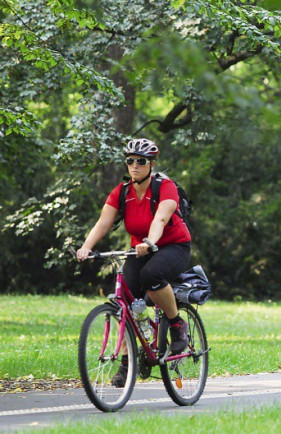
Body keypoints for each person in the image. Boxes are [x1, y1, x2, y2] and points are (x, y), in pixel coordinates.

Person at [76, 138, 191, 387]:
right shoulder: (122, 192)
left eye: (141, 161)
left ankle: (176, 324)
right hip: (139, 250)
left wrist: (149, 241)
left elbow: (161, 218)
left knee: (152, 276)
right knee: (124, 302)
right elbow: (103, 223)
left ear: (151, 164)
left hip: (173, 246)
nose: (135, 165)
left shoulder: (165, 187)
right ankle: (128, 362)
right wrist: (86, 247)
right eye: (130, 161)